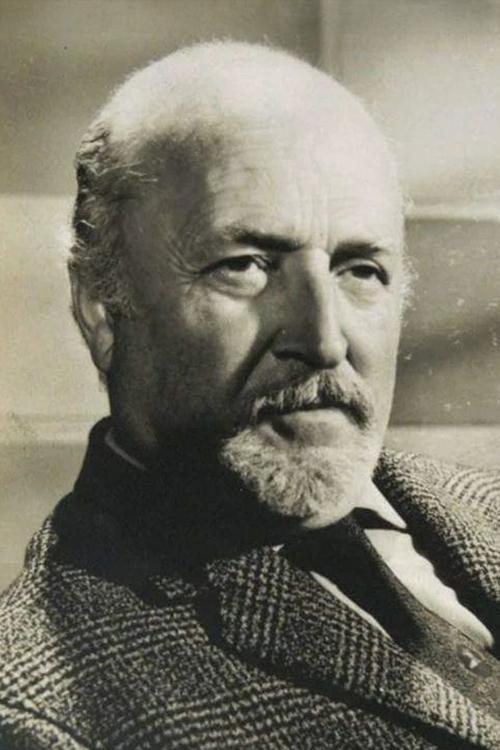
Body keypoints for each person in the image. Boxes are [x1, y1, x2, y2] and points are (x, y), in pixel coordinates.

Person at [0, 42, 499, 750]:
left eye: (360, 269)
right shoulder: (49, 719)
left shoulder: (481, 503)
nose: (323, 339)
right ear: (103, 311)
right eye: (245, 265)